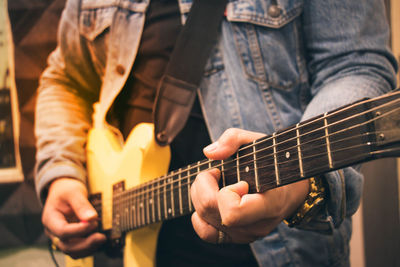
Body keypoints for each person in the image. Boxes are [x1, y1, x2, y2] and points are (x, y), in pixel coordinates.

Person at [35, 0, 397, 266]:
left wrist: (299, 184)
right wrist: (61, 174)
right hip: (130, 241)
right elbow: (64, 79)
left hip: (282, 249)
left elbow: (356, 66)